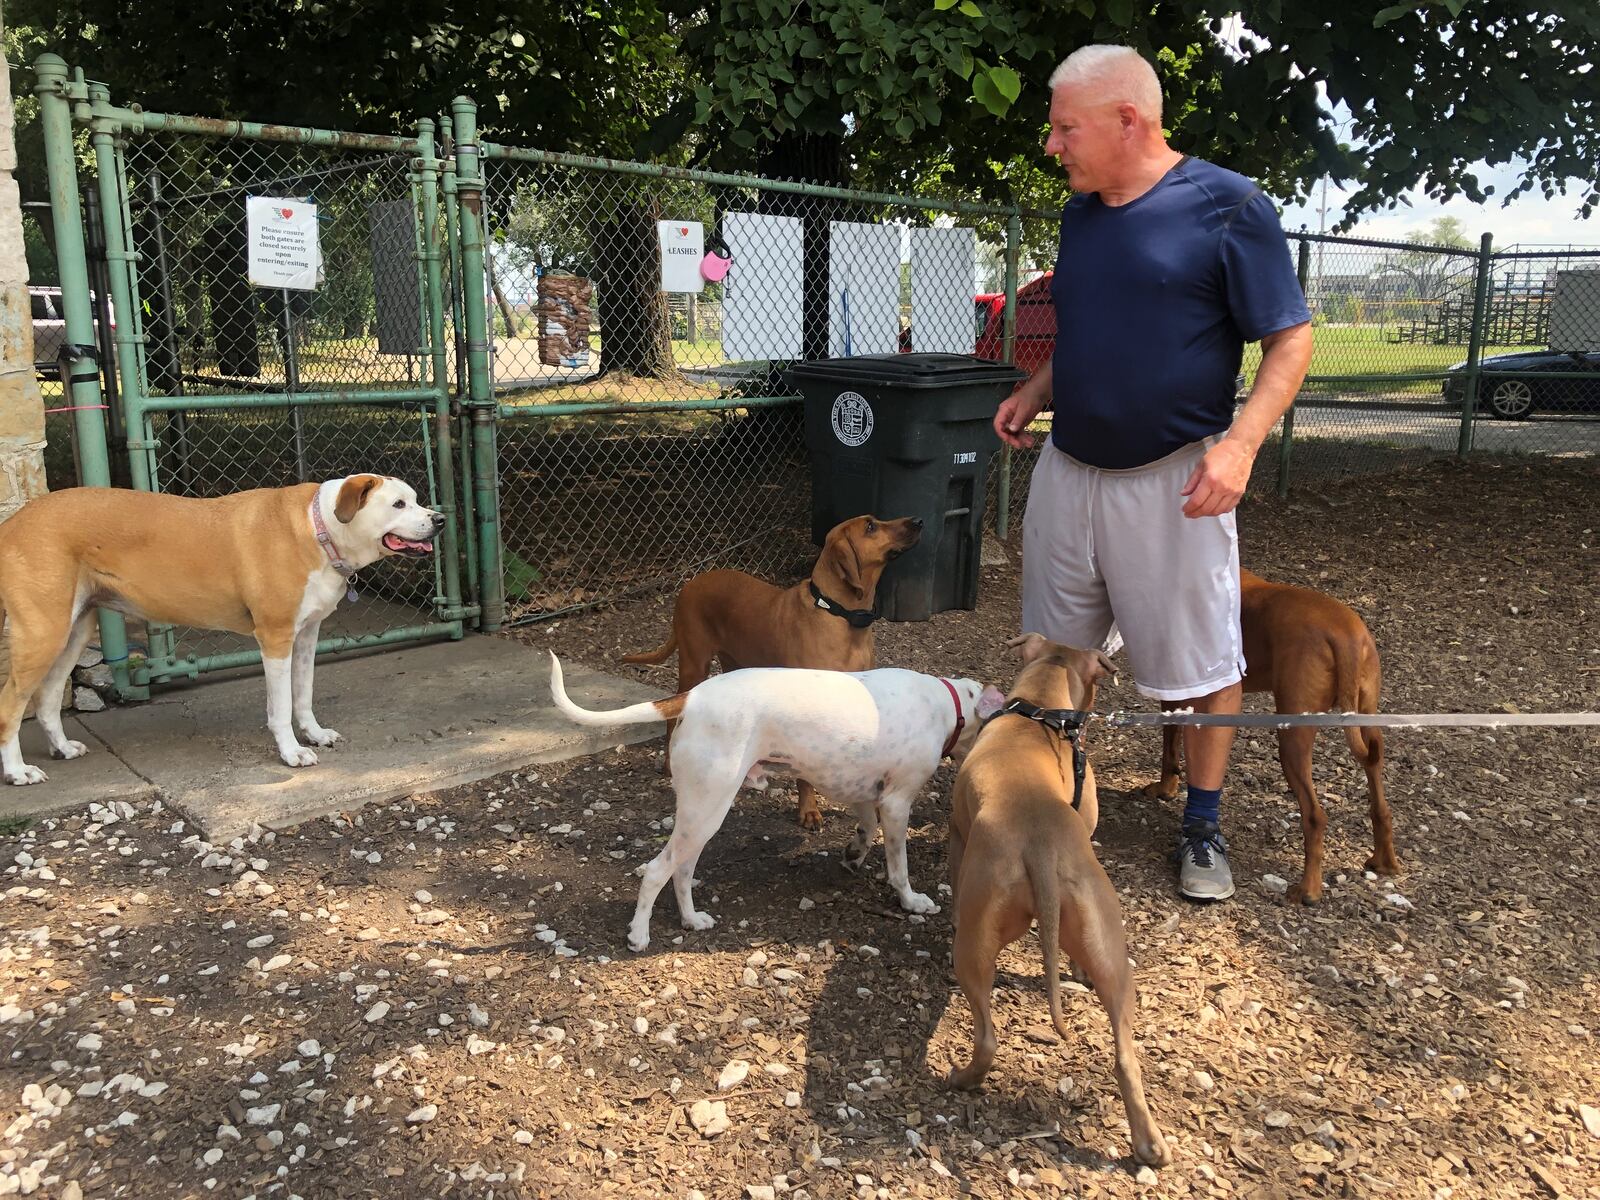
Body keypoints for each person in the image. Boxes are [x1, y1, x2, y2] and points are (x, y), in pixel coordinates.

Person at [995, 45, 1313, 901]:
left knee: (1207, 664)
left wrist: (1241, 444)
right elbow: (1091, 333)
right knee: (1057, 650)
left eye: (1066, 128)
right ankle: (1059, 798)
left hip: (1174, 478)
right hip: (1070, 470)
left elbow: (1290, 338)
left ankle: (1203, 826)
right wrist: (1037, 387)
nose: (1053, 146)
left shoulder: (1229, 206)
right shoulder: (1082, 215)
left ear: (1126, 120)